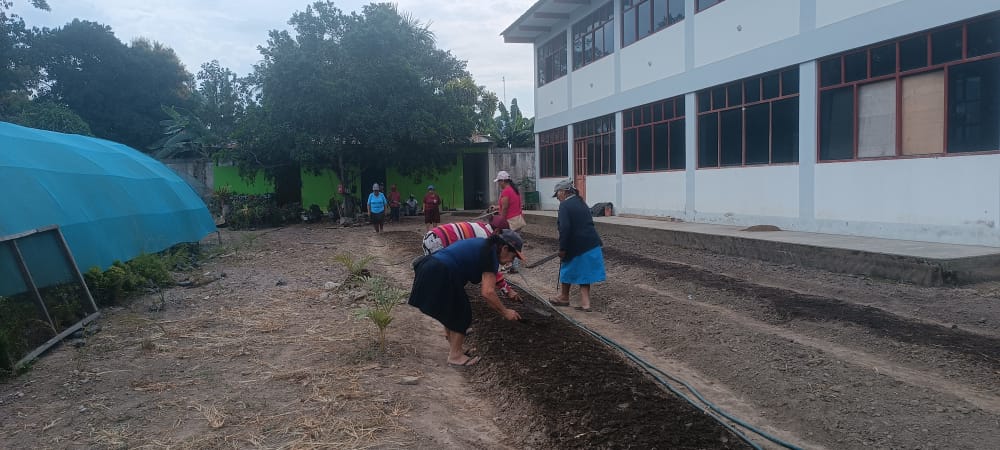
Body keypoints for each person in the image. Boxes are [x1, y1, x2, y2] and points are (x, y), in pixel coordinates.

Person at [408, 229, 525, 366]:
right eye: (513, 256)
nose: (511, 261)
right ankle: (455, 356)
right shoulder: (490, 254)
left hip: (430, 266)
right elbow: (488, 292)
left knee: (452, 310)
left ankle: (456, 349)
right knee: (462, 313)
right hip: (440, 271)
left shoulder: (485, 245)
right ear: (504, 248)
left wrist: (507, 292)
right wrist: (505, 312)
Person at [422, 216, 520, 302]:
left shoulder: (482, 227)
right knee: (442, 273)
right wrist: (507, 290)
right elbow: (490, 268)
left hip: (433, 236)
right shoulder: (487, 239)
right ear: (497, 231)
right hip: (438, 240)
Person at [551, 178, 605, 312]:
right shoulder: (581, 202)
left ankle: (564, 297)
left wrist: (563, 248)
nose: (557, 197)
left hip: (577, 245)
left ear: (564, 192)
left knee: (566, 269)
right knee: (584, 273)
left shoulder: (565, 206)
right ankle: (586, 304)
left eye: (557, 194)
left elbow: (565, 228)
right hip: (591, 243)